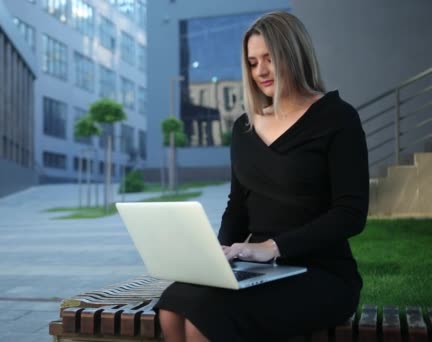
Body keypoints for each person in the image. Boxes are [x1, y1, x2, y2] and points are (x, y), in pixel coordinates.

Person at [156, 11, 369, 342]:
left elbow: (351, 215)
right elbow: (238, 207)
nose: (261, 71)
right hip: (258, 268)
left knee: (206, 318)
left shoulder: (338, 118)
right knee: (173, 305)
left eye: (269, 59)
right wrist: (218, 257)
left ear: (294, 54)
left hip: (322, 272)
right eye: (253, 62)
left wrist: (272, 247)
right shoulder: (245, 127)